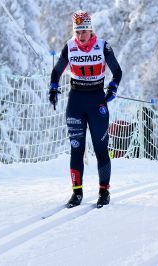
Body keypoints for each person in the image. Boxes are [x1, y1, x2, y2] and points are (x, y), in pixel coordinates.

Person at [49, 10, 122, 209]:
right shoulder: (70, 46)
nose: (81, 36)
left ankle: (104, 191)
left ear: (91, 30)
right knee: (76, 149)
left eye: (84, 31)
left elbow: (117, 71)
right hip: (76, 102)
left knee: (100, 149)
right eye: (78, 32)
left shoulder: (102, 46)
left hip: (97, 101)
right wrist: (53, 87)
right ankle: (77, 193)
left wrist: (113, 87)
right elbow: (57, 71)